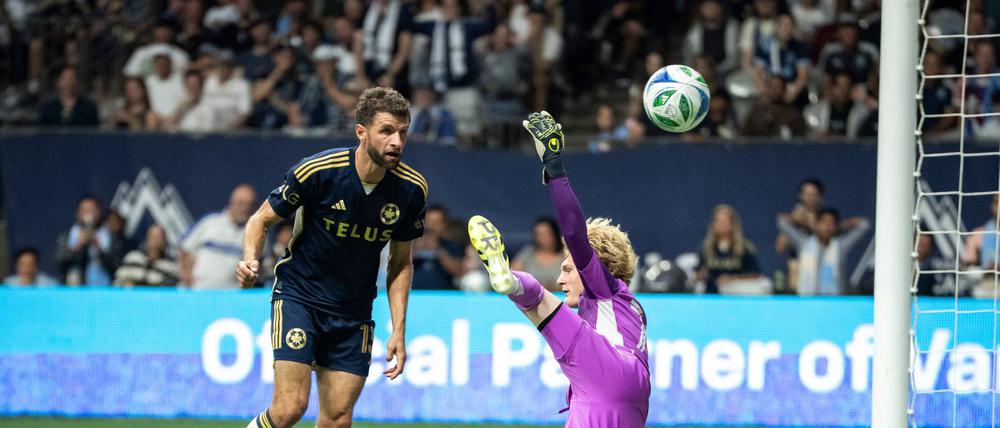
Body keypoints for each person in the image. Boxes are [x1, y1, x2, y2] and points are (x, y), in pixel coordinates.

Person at [236, 87, 426, 428]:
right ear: (361, 132)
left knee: (337, 419)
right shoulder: (320, 171)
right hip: (300, 297)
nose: (396, 141)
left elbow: (400, 263)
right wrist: (250, 258)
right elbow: (260, 220)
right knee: (290, 407)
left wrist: (399, 330)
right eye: (386, 130)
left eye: (402, 131)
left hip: (353, 313)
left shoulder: (412, 190)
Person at [467, 111, 649, 427]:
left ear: (597, 264)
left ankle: (509, 279)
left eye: (568, 269)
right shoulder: (630, 305)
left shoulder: (603, 288)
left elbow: (576, 234)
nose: (561, 278)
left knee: (538, 300)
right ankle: (509, 280)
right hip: (630, 397)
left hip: (608, 371)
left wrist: (554, 167)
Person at [777, 208, 870, 295]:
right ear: (816, 224)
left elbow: (864, 225)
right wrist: (804, 221)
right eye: (824, 222)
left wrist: (841, 226)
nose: (827, 226)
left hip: (833, 303)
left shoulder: (840, 246)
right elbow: (781, 222)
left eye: (831, 223)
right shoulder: (804, 243)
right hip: (806, 301)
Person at [181, 184, 256, 289]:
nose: (244, 208)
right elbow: (186, 248)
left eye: (249, 205)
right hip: (199, 290)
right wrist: (186, 276)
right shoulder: (210, 222)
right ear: (231, 203)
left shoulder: (254, 232)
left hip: (232, 295)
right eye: (241, 203)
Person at [695, 204, 762, 294]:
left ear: (732, 225)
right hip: (711, 294)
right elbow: (697, 272)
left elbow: (755, 274)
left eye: (725, 222)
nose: (721, 226)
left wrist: (733, 279)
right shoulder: (706, 247)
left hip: (736, 294)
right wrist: (701, 275)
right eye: (718, 222)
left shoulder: (745, 247)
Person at [55, 195, 115, 286]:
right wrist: (77, 246)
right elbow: (59, 263)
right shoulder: (67, 235)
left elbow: (116, 266)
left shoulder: (110, 235)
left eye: (91, 210)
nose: (88, 214)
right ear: (78, 213)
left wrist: (99, 247)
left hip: (103, 293)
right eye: (84, 210)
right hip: (73, 291)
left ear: (99, 212)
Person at [411, 205, 464, 289]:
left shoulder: (451, 245)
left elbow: (458, 271)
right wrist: (416, 250)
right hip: (413, 295)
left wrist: (438, 250)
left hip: (441, 296)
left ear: (444, 225)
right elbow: (396, 267)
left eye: (435, 223)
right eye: (428, 222)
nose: (430, 226)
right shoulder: (410, 244)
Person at [113, 224, 179, 287]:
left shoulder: (170, 267)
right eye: (154, 237)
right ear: (148, 238)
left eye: (160, 238)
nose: (156, 241)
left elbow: (167, 291)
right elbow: (118, 280)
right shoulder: (133, 257)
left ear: (165, 241)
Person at [511, 216, 564, 291]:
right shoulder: (528, 253)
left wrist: (550, 287)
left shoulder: (566, 255)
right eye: (539, 234)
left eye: (547, 234)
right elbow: (513, 275)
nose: (543, 238)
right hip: (531, 298)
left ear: (555, 234)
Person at [962, 193, 999, 270]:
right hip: (988, 279)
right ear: (992, 207)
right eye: (997, 202)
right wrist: (986, 270)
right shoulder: (979, 234)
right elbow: (967, 265)